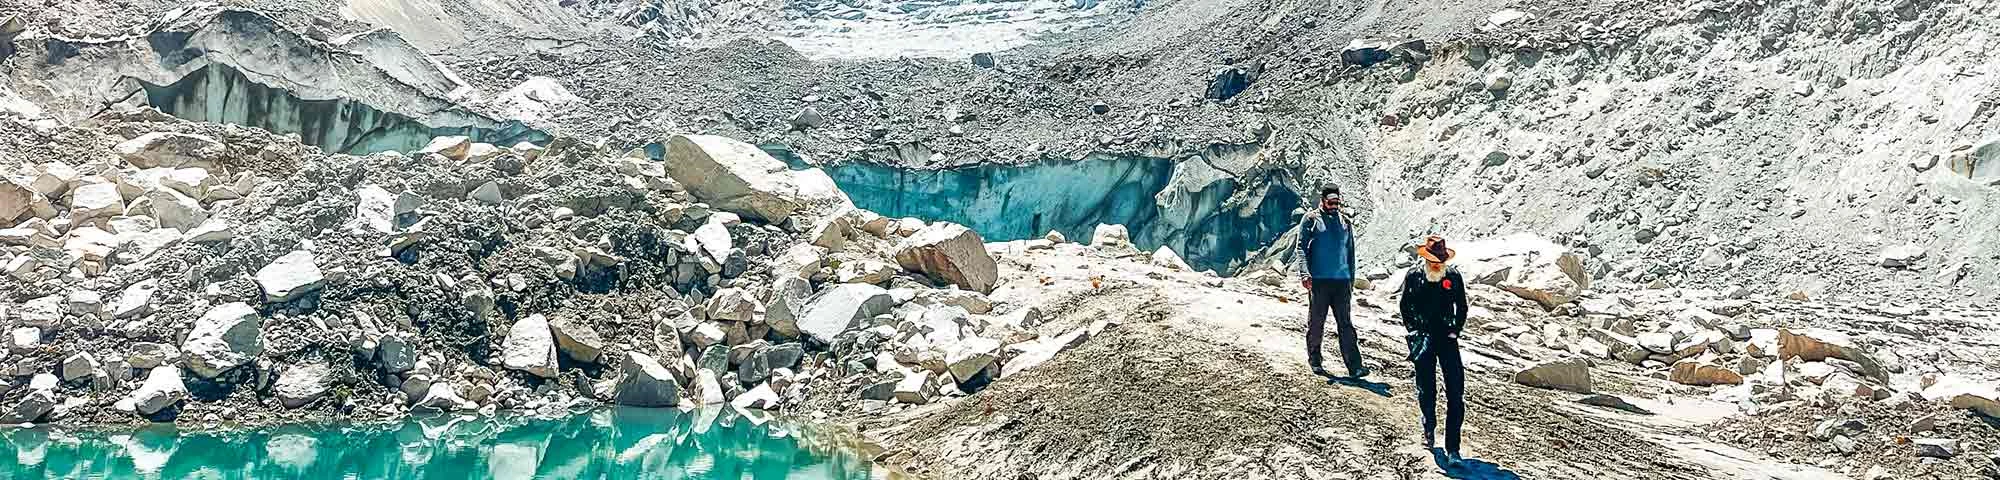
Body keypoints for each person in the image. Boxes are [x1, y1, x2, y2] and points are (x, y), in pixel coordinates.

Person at [1399, 235, 1469, 467]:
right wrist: (1413, 331)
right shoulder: (1414, 276)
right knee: (1426, 389)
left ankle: (1453, 449)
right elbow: (1404, 305)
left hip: (1447, 338)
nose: (1437, 264)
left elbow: (1462, 306)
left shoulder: (1453, 276)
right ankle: (1428, 429)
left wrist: (1455, 330)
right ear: (1426, 259)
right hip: (1423, 338)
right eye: (1433, 260)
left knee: (1456, 393)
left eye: (1440, 260)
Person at [1294, 185, 1365, 378]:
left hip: (1341, 281)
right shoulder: (1310, 219)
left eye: (1337, 203)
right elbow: (1301, 248)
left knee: (1346, 324)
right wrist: (1304, 273)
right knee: (1317, 322)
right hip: (1319, 280)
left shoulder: (1345, 222)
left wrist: (1351, 278)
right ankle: (1315, 360)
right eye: (1331, 202)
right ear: (1322, 200)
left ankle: (1355, 366)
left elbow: (1350, 252)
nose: (1334, 206)